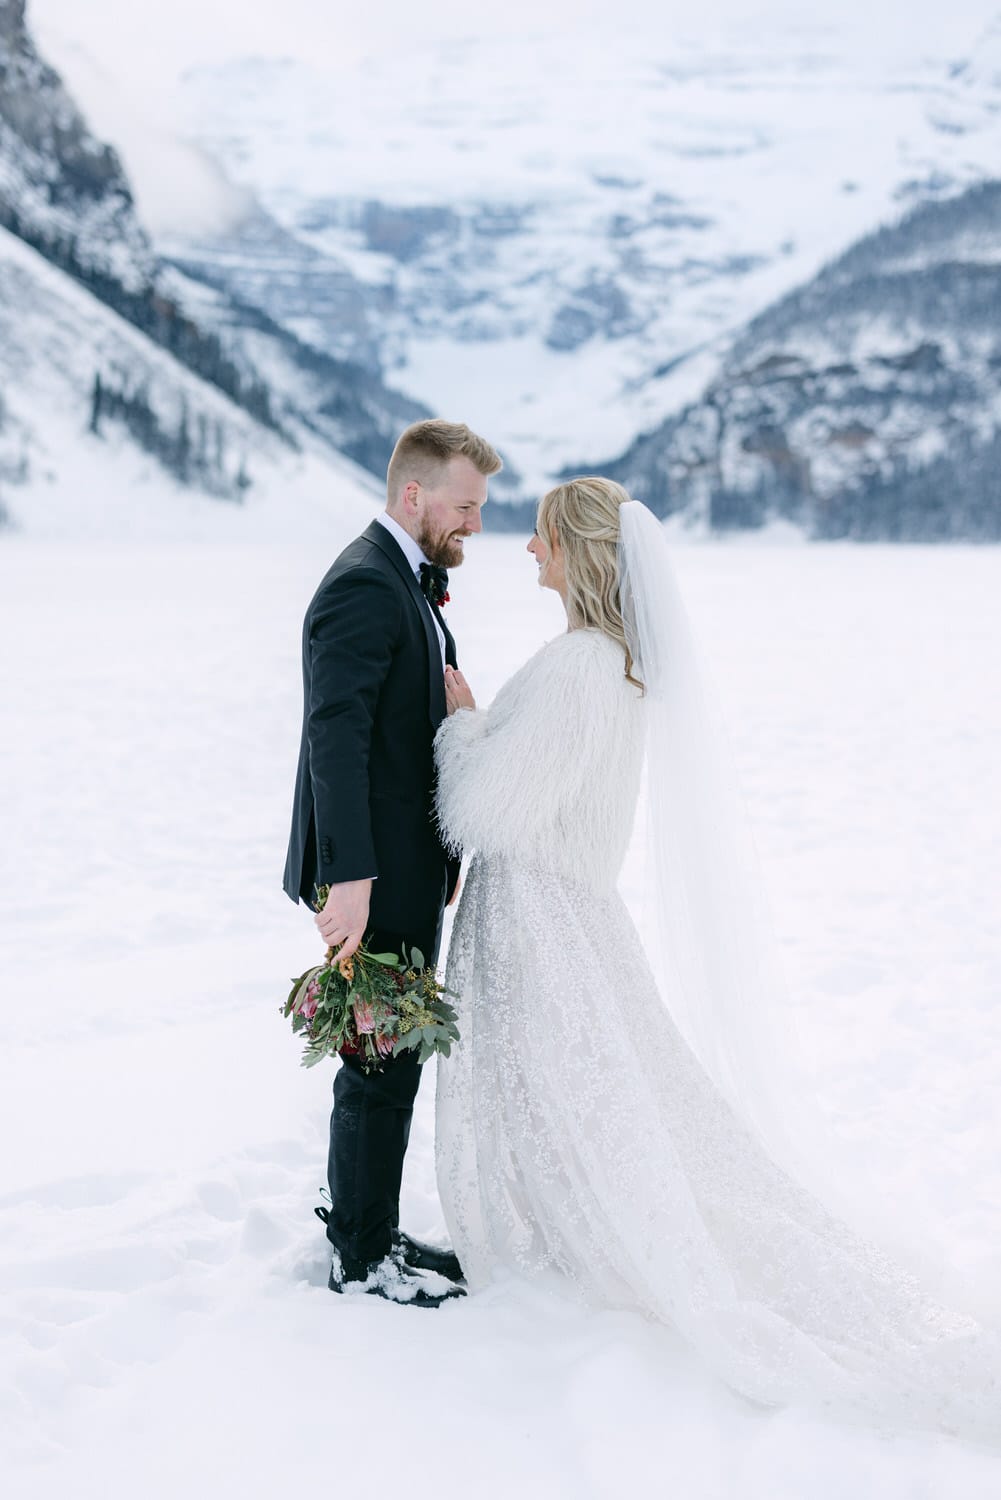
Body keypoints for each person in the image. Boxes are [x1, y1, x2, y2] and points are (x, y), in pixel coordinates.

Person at [432, 477, 999, 1439]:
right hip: (571, 913)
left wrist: (460, 727)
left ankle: (578, 1245)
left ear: (577, 552)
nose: (527, 552)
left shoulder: (578, 665)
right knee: (591, 1094)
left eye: (539, 538)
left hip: (539, 919)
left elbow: (491, 811)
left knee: (575, 1095)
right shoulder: (620, 666)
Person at [284, 417, 502, 1307]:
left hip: (402, 868)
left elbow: (394, 735)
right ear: (414, 495)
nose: (476, 524)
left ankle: (367, 1224)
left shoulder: (403, 580)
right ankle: (361, 1257)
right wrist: (353, 880)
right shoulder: (365, 586)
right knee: (378, 1059)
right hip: (373, 877)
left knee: (392, 1053)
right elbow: (332, 740)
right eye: (465, 505)